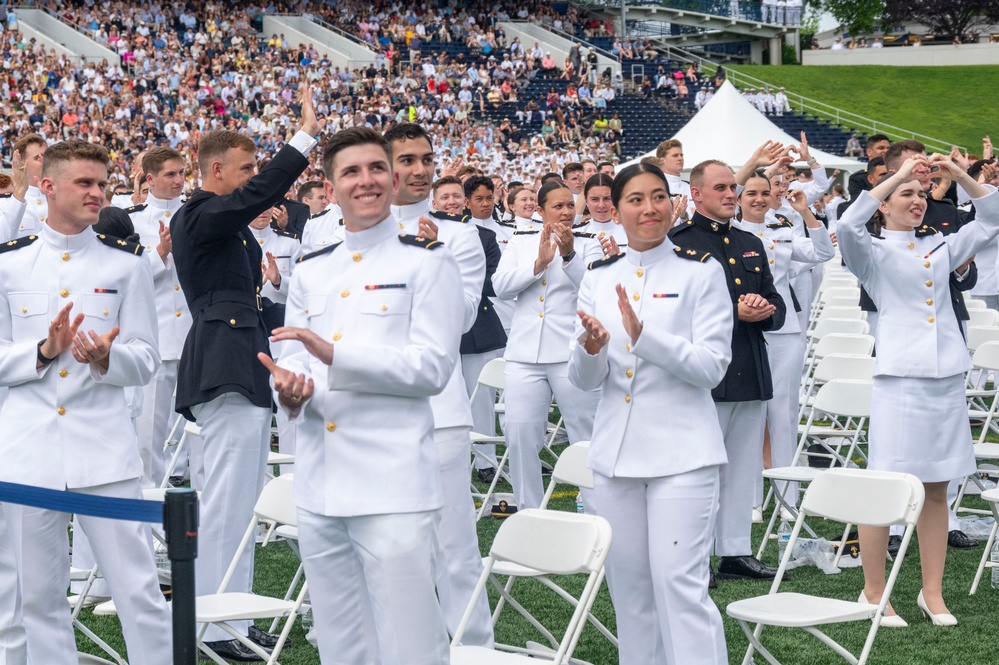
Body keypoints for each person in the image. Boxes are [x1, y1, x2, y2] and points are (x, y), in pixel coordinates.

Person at [261, 126, 460, 665]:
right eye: (351, 172)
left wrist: (334, 356)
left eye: (376, 169)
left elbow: (432, 368)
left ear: (394, 180)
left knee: (410, 643)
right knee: (341, 642)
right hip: (321, 482)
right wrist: (292, 391)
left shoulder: (426, 261)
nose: (366, 181)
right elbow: (296, 362)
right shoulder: (312, 269)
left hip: (393, 484)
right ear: (330, 186)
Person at [0, 139, 170, 665]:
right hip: (27, 451)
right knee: (38, 598)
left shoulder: (126, 266)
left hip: (104, 451)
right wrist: (44, 350)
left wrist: (105, 359)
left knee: (138, 593)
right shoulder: (10, 264)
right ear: (47, 186)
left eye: (102, 183)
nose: (98, 192)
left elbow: (146, 359)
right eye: (85, 183)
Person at [170, 86, 322, 660]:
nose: (255, 177)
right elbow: (260, 192)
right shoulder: (202, 214)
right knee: (231, 499)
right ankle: (214, 624)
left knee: (236, 496)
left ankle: (228, 612)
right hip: (225, 360)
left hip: (239, 358)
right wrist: (302, 136)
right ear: (215, 171)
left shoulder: (222, 225)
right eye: (246, 168)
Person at [570, 162, 731, 664]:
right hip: (617, 457)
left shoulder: (701, 272)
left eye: (658, 197)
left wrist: (646, 339)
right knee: (630, 592)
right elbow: (584, 381)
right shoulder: (598, 278)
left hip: (683, 454)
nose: (649, 209)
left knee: (679, 586)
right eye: (635, 199)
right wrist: (592, 349)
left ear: (673, 202)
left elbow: (712, 368)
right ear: (614, 210)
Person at [839, 153, 999, 627]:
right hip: (901, 382)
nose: (916, 200)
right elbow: (847, 226)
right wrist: (900, 175)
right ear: (884, 206)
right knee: (884, 487)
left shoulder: (941, 246)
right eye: (904, 196)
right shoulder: (871, 252)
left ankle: (932, 593)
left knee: (937, 488)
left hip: (945, 378)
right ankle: (873, 591)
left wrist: (960, 176)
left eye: (919, 194)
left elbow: (993, 216)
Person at [383, 122, 492, 647]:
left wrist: (435, 259)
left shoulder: (459, 233)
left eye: (427, 159)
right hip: (371, 410)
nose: (421, 170)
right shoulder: (338, 229)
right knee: (387, 543)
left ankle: (473, 648)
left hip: (438, 406)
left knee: (454, 545)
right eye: (407, 160)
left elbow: (464, 320)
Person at [669, 160, 786, 582]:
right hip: (706, 372)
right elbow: (671, 309)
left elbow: (777, 303)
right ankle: (695, 556)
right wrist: (730, 311)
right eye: (720, 187)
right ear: (696, 193)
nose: (730, 194)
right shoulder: (678, 243)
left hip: (750, 365)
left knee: (741, 466)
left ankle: (735, 550)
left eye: (732, 187)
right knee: (701, 470)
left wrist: (765, 311)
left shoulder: (748, 241)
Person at [733, 159, 834, 509]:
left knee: (784, 415)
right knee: (748, 416)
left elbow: (824, 252)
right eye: (751, 193)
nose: (759, 199)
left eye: (764, 193)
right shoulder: (728, 233)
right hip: (743, 332)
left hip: (784, 331)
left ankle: (787, 498)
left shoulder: (783, 230)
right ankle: (749, 500)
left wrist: (806, 215)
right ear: (739, 198)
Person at [493, 180, 601, 510]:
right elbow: (500, 286)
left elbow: (595, 290)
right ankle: (528, 510)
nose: (567, 211)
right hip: (525, 353)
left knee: (586, 434)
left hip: (570, 353)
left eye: (570, 205)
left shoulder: (588, 241)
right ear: (540, 211)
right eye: (558, 206)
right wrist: (537, 264)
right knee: (520, 433)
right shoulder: (520, 240)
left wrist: (568, 255)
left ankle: (596, 506)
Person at [125, 147, 190, 488]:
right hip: (155, 335)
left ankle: (185, 494)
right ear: (149, 179)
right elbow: (124, 280)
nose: (179, 180)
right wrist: (160, 254)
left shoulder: (195, 213)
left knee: (195, 428)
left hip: (194, 334)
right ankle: (151, 502)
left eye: (182, 173)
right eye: (170, 174)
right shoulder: (132, 220)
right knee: (150, 429)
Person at [0, 133, 48, 242]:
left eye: (47, 156)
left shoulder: (62, 196)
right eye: (37, 157)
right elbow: (2, 240)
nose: (45, 161)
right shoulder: (5, 202)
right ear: (20, 162)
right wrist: (20, 192)